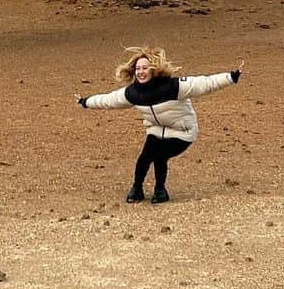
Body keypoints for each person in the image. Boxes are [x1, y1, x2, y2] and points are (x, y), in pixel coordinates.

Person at [77, 46, 244, 204]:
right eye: (137, 69)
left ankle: (160, 190)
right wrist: (85, 102)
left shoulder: (174, 86)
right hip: (156, 130)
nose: (140, 72)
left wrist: (231, 77)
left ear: (154, 70)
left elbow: (205, 84)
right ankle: (136, 189)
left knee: (159, 156)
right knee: (144, 157)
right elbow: (108, 100)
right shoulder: (133, 93)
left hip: (182, 132)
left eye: (144, 68)